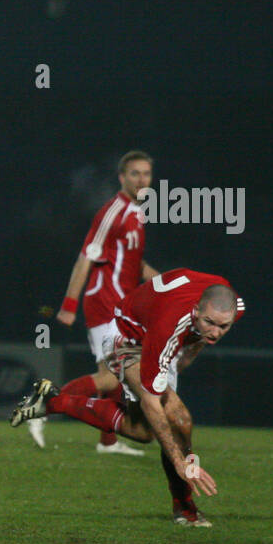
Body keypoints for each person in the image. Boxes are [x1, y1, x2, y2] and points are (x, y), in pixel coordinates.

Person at [11, 269, 244, 527]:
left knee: (143, 432)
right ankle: (185, 509)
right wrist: (181, 461)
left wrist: (195, 345)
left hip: (161, 338)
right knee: (178, 417)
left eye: (224, 326)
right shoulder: (169, 325)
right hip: (127, 339)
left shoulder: (233, 305)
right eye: (209, 323)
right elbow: (151, 403)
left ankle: (53, 402)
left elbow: (197, 309)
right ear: (197, 310)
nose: (216, 331)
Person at [31, 151, 161, 455]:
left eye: (146, 174)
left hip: (121, 305)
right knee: (110, 376)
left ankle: (108, 441)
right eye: (134, 174)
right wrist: (68, 304)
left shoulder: (136, 214)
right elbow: (85, 257)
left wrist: (168, 284)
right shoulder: (113, 212)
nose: (141, 179)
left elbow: (136, 265)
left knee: (118, 377)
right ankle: (44, 406)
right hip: (106, 303)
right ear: (122, 177)